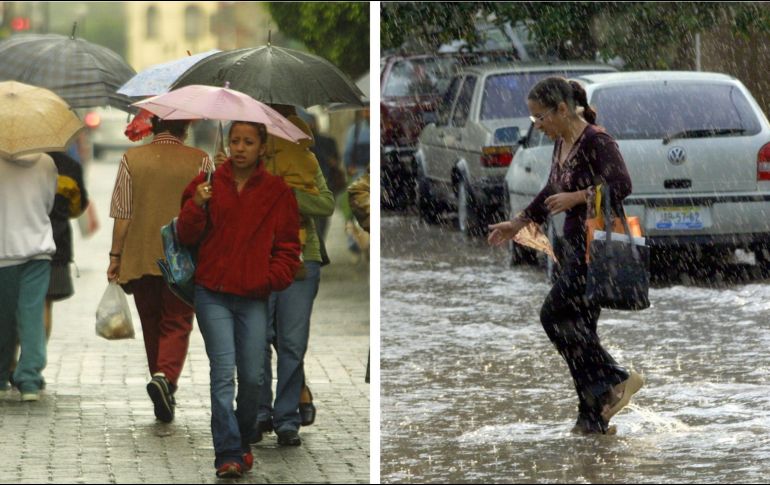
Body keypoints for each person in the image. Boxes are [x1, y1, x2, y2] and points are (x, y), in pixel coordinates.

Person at [488, 77, 644, 435]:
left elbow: (622, 185)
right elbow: (552, 189)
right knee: (579, 334)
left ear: (562, 109)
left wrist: (578, 198)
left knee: (553, 315)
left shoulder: (596, 141)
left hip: (594, 250)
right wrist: (519, 223)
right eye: (534, 120)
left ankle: (616, 378)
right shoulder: (562, 143)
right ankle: (591, 420)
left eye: (540, 117)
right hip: (571, 246)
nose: (538, 126)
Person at [177, 121, 300, 477]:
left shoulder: (277, 192)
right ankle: (227, 452)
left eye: (248, 142)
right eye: (235, 141)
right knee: (222, 375)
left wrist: (269, 278)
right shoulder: (207, 184)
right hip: (211, 293)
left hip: (253, 297)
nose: (240, 148)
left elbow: (288, 247)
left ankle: (244, 436)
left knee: (252, 377)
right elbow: (185, 235)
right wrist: (196, 205)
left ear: (263, 147)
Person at [107, 117, 212, 424]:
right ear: (186, 128)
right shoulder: (201, 160)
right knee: (176, 323)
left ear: (152, 126)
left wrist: (115, 256)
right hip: (183, 259)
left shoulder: (131, 159)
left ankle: (160, 378)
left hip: (140, 257)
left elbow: (122, 215)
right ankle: (165, 379)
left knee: (151, 324)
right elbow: (213, 207)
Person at [255, 107, 336, 447]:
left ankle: (287, 417)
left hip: (304, 260)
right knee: (258, 340)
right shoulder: (245, 161)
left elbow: (326, 204)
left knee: (292, 342)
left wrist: (287, 194)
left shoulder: (307, 164)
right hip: (256, 259)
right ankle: (258, 412)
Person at [0, 152, 58, 402]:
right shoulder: (46, 162)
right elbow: (49, 202)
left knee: (4, 316)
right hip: (38, 248)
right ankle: (30, 380)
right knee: (32, 313)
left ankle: (2, 376)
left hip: (5, 250)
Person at [46, 151, 89, 339]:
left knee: (13, 307)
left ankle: (11, 363)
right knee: (44, 304)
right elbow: (78, 207)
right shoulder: (69, 166)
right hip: (56, 244)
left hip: (12, 246)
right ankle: (32, 362)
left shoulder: (12, 162)